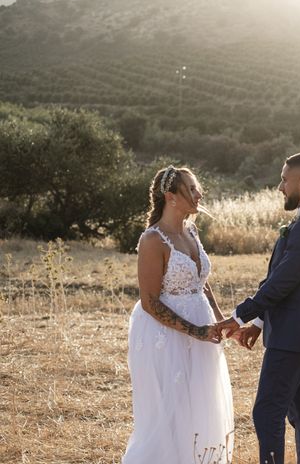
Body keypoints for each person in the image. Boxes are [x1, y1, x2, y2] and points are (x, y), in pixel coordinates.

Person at [214, 152, 300, 464]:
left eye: (284, 179)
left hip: (293, 332)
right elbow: (286, 281)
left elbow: (282, 282)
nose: (280, 187)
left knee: (267, 411)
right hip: (297, 329)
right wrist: (257, 323)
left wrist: (240, 315)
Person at [122, 166, 234, 464]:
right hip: (165, 335)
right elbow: (150, 303)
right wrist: (195, 330)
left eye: (198, 188)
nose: (200, 194)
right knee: (171, 410)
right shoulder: (152, 240)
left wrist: (221, 320)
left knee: (199, 403)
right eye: (192, 189)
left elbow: (200, 282)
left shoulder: (191, 230)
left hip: (201, 328)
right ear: (171, 197)